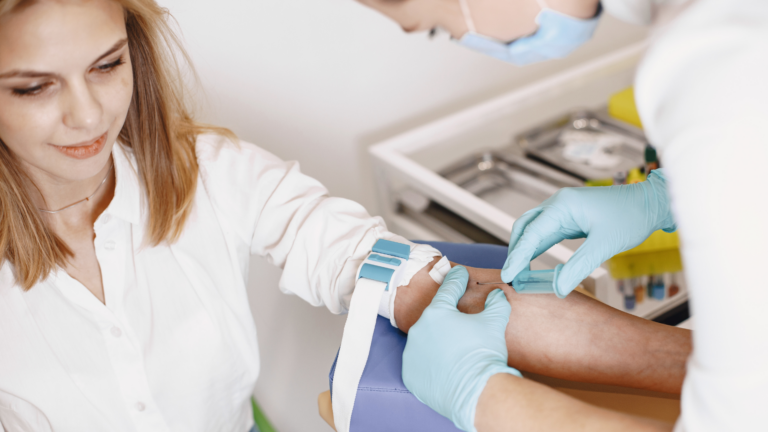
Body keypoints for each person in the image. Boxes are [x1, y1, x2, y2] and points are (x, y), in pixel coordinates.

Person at [0, 1, 691, 431]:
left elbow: (380, 267)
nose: (89, 116)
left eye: (107, 65)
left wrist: (700, 365)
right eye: (33, 87)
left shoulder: (202, 170)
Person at [358, 0, 768, 430]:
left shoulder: (714, 59)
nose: (466, 40)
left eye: (438, 29)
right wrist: (666, 195)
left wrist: (482, 395)